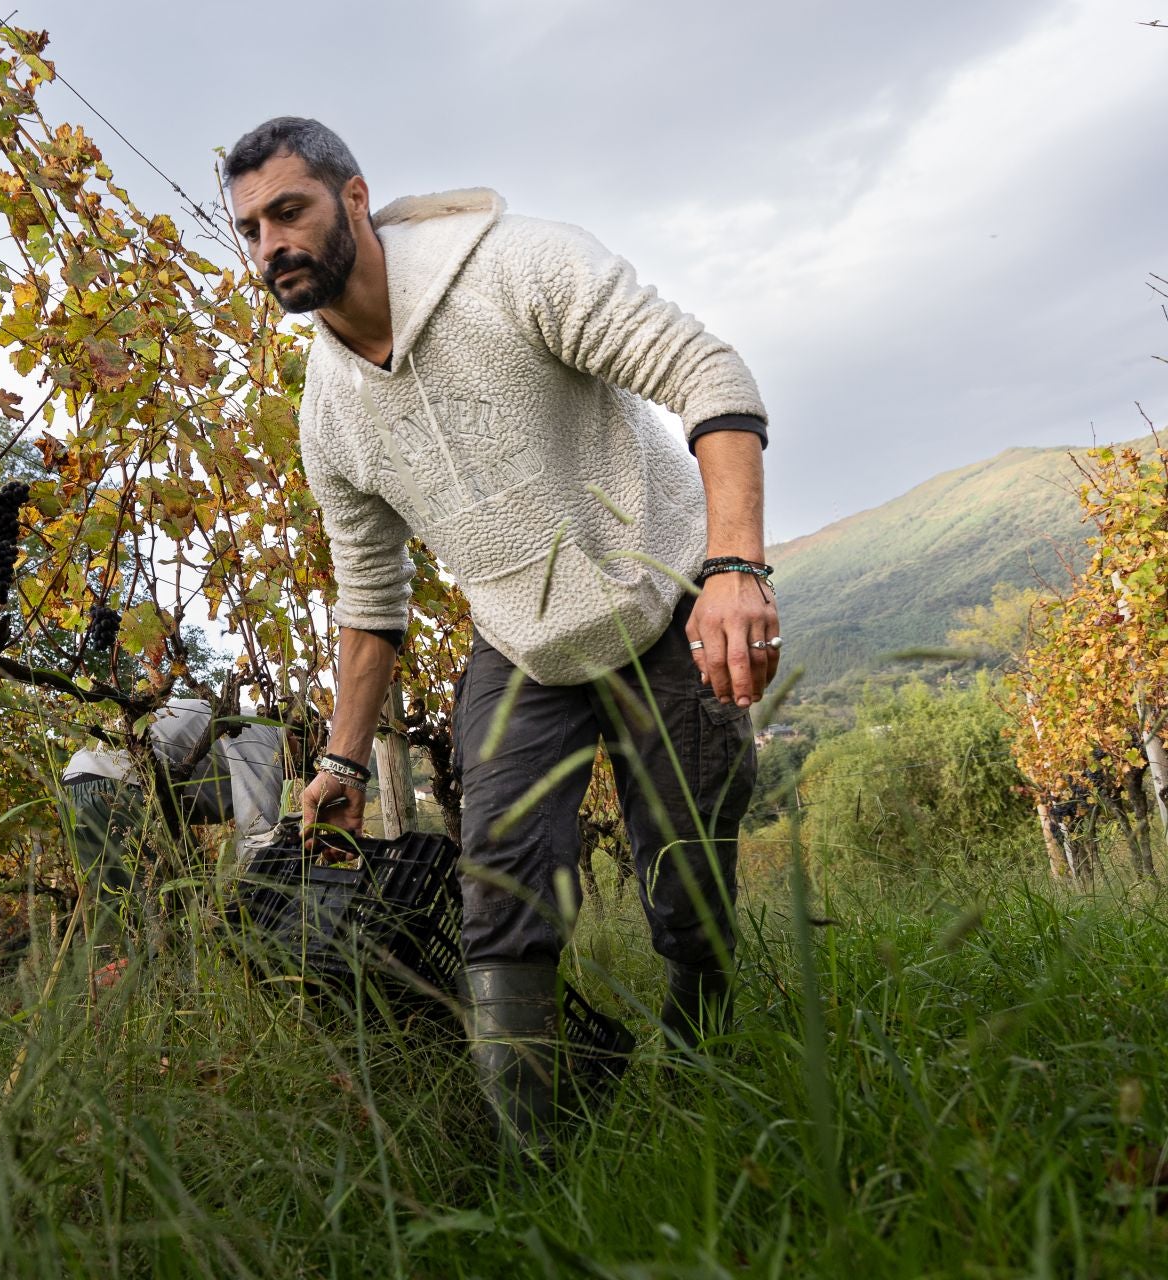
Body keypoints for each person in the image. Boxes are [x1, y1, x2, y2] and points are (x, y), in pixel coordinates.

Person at [223, 117, 778, 1156]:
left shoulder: (517, 267)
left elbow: (710, 373)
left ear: (351, 198)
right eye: (250, 229)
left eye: (287, 212)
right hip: (522, 645)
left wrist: (734, 566)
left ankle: (705, 1058)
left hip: (661, 598)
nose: (270, 247)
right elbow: (369, 599)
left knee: (684, 882)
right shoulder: (326, 413)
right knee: (501, 893)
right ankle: (536, 1165)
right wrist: (343, 756)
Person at [60, 698, 300, 935]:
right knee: (188, 913)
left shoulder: (238, 722)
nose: (298, 769)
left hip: (76, 791)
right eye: (303, 757)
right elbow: (257, 835)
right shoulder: (260, 731)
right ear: (293, 734)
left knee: (132, 919)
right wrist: (263, 904)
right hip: (117, 786)